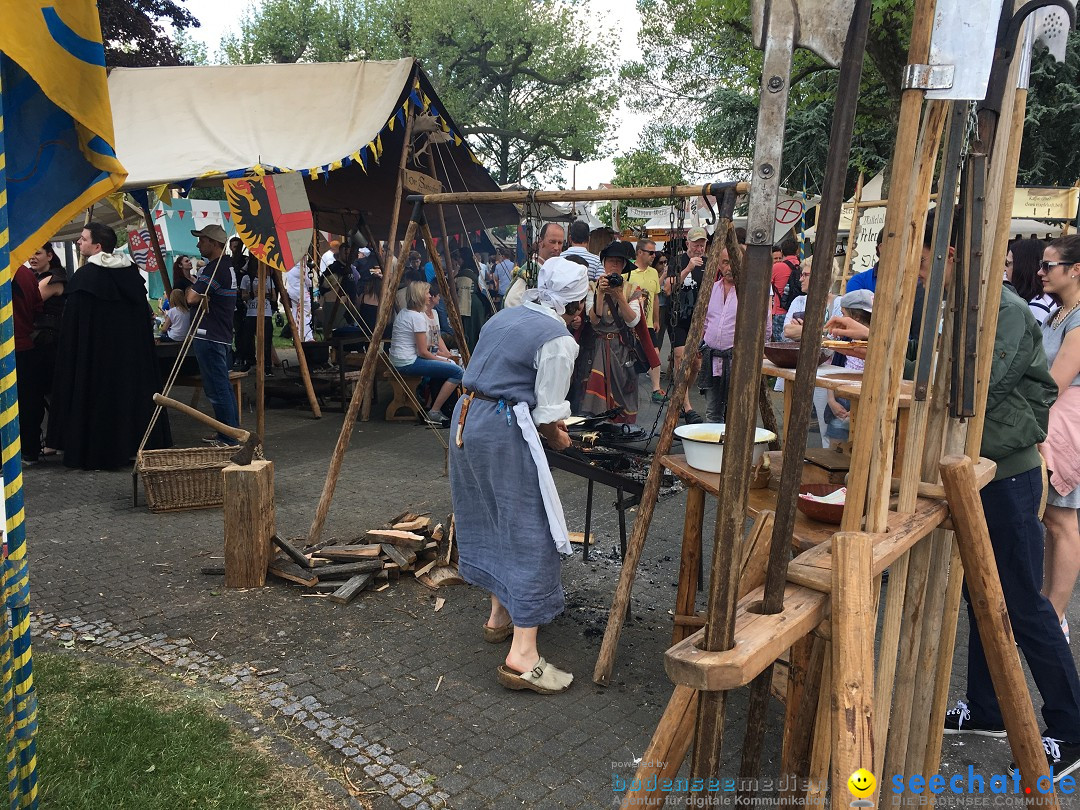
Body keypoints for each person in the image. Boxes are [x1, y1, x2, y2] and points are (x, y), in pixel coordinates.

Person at [944, 272, 1080, 784]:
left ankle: (1071, 728)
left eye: (917, 254)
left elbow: (981, 384)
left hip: (1006, 470)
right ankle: (987, 706)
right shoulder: (961, 300)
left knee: (1024, 603)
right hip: (977, 465)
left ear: (949, 253)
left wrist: (908, 367)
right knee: (982, 594)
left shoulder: (999, 308)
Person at [449, 256, 588, 695]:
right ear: (576, 301)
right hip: (503, 426)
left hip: (465, 418)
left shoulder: (505, 315)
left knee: (489, 515)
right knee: (528, 525)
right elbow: (548, 414)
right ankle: (522, 656)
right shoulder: (559, 338)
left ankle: (499, 616)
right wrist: (563, 439)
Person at [48, 222, 171, 469]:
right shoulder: (131, 276)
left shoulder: (85, 278)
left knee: (97, 400)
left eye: (83, 239)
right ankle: (134, 445)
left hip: (95, 359)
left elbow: (75, 327)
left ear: (97, 246)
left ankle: (98, 450)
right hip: (129, 359)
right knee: (129, 397)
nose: (78, 242)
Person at [1036, 235, 1080, 641]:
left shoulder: (1079, 318)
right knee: (1052, 516)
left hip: (1064, 423)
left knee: (1063, 518)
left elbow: (1056, 382)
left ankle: (1058, 614)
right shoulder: (1059, 313)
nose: (1041, 271)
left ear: (1075, 269)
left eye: (1049, 265)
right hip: (1054, 419)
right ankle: (1049, 604)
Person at [579, 241, 644, 423]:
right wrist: (600, 293)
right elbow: (594, 319)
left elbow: (633, 320)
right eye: (610, 261)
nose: (614, 265)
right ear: (604, 263)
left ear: (624, 266)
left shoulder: (632, 289)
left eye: (618, 262)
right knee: (595, 394)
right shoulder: (592, 287)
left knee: (623, 393)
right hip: (597, 347)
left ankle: (621, 430)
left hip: (621, 349)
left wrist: (618, 296)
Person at [186, 224, 240, 444]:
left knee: (217, 389)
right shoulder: (224, 266)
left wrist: (186, 291)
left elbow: (191, 298)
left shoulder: (214, 269)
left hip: (210, 335)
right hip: (219, 334)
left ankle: (229, 437)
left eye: (202, 240)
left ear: (214, 243)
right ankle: (229, 431)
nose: (199, 243)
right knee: (222, 387)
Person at [782, 257, 843, 444]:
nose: (800, 279)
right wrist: (820, 331)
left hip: (827, 371)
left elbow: (836, 338)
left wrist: (804, 329)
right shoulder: (799, 302)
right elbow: (786, 332)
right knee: (792, 423)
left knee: (827, 426)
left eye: (805, 275)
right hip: (797, 368)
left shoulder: (838, 304)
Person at [388, 281, 462, 426]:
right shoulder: (417, 317)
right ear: (420, 295)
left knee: (446, 366)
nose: (430, 296)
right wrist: (443, 360)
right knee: (457, 372)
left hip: (399, 359)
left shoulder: (404, 312)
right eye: (428, 293)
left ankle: (431, 405)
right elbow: (422, 352)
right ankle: (434, 411)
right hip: (408, 363)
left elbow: (416, 345)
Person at [27, 244, 67, 457]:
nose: (33, 257)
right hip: (41, 341)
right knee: (45, 393)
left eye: (38, 253)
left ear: (50, 256)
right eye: (31, 253)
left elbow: (29, 301)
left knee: (52, 393)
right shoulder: (37, 276)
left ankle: (57, 440)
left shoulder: (55, 278)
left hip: (51, 343)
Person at [667, 226, 709, 423]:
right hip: (678, 317)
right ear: (688, 244)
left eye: (702, 244)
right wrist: (688, 268)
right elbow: (669, 288)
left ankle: (681, 393)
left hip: (698, 318)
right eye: (696, 244)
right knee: (680, 357)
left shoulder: (709, 263)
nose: (699, 248)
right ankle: (686, 406)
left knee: (695, 364)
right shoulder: (678, 260)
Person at [697, 247, 737, 423]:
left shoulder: (750, 291)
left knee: (737, 414)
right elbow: (704, 322)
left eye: (733, 262)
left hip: (736, 361)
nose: (729, 267)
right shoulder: (711, 289)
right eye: (725, 262)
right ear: (719, 265)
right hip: (712, 359)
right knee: (712, 412)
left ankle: (734, 450)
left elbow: (764, 328)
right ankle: (714, 450)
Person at [628, 239, 666, 403]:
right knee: (632, 355)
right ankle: (630, 387)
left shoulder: (652, 273)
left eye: (654, 253)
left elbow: (656, 297)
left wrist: (656, 320)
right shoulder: (628, 271)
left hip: (648, 323)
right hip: (631, 322)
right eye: (651, 252)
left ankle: (656, 388)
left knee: (655, 354)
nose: (654, 256)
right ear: (640, 252)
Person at [13, 262, 43, 464]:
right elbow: (36, 308)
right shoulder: (25, 273)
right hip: (24, 347)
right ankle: (29, 449)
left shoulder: (24, 274)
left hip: (18, 345)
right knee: (28, 402)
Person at [505, 223, 564, 309]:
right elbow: (511, 302)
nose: (556, 247)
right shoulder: (531, 270)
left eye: (560, 243)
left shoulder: (554, 270)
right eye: (552, 242)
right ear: (541, 242)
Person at [1007, 238, 1055, 326]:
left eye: (1009, 263)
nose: (1005, 269)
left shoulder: (1035, 307)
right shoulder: (1044, 299)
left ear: (1023, 267)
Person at [239, 267, 276, 375]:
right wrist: (252, 294)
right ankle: (250, 361)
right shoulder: (246, 278)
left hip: (266, 313)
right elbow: (243, 296)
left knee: (266, 340)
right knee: (248, 340)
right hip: (252, 313)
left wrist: (266, 294)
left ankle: (267, 366)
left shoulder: (268, 279)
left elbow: (273, 297)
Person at [770, 236, 801, 340]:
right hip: (799, 314)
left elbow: (767, 287)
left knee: (780, 349)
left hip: (780, 312)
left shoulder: (777, 267)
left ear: (782, 252)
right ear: (797, 251)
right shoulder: (803, 267)